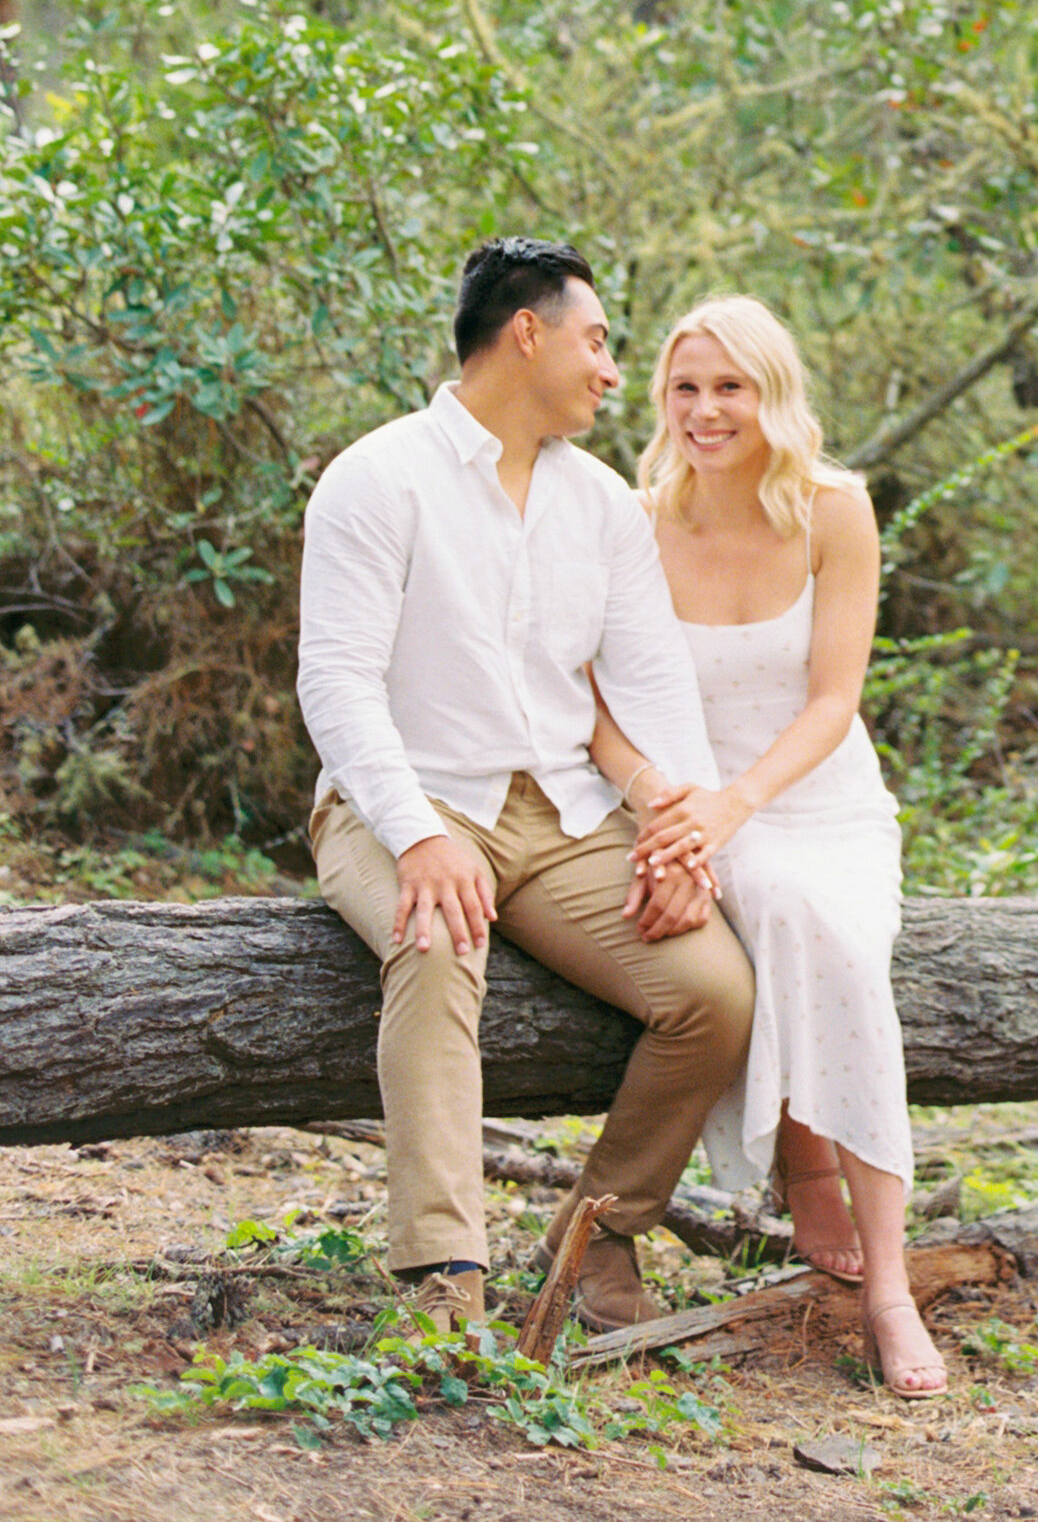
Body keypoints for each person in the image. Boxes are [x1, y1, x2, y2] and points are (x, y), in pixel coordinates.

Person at [296, 237, 754, 1335]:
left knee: (715, 994)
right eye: (597, 341)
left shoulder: (599, 505)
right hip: (397, 797)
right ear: (528, 333)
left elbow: (652, 688)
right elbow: (338, 681)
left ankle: (595, 1245)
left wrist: (685, 842)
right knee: (438, 937)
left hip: (560, 815)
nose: (611, 369)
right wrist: (413, 835)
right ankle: (442, 1278)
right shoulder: (379, 476)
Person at [588, 293, 944, 1398]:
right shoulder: (632, 522)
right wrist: (667, 808)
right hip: (684, 803)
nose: (705, 409)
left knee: (827, 920)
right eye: (685, 388)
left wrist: (736, 805)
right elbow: (587, 706)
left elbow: (835, 700)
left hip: (811, 799)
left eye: (729, 386)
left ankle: (888, 1280)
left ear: (771, 393)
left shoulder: (834, 509)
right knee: (783, 910)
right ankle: (805, 1158)